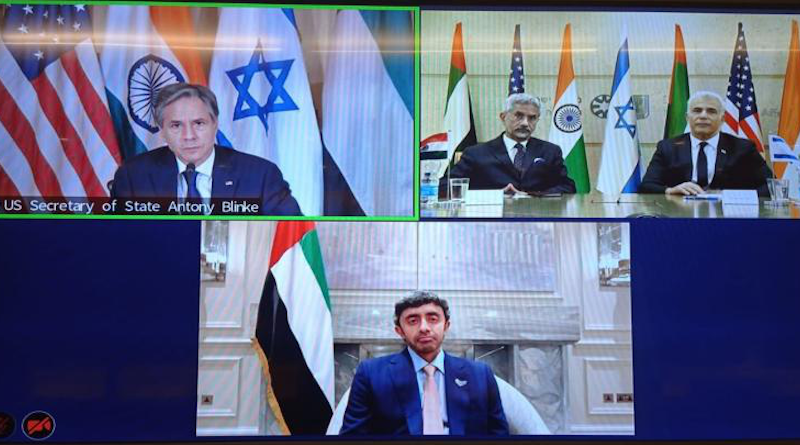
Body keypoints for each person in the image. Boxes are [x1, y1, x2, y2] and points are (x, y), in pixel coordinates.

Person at [110, 83, 302, 215]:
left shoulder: (260, 176)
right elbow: (117, 239)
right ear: (162, 131)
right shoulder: (133, 176)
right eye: (176, 126)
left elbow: (292, 239)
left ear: (215, 124)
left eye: (199, 123)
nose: (189, 136)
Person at [340, 292, 509, 436]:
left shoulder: (480, 374)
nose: (424, 327)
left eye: (433, 319)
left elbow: (499, 435)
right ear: (400, 331)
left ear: (446, 326)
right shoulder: (371, 373)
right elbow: (352, 437)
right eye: (413, 321)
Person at [640, 91, 771, 196]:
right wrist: (671, 190)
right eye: (697, 110)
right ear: (687, 117)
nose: (703, 116)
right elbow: (647, 185)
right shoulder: (667, 147)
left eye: (711, 111)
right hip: (680, 217)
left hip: (728, 218)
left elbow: (770, 186)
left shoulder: (743, 148)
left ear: (723, 119)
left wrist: (733, 196)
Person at [443, 93, 576, 195]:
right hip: (491, 222)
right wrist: (495, 196)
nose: (525, 123)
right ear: (503, 117)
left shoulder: (550, 151)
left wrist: (531, 196)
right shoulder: (476, 153)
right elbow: (446, 186)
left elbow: (568, 187)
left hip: (536, 219)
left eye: (532, 118)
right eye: (518, 115)